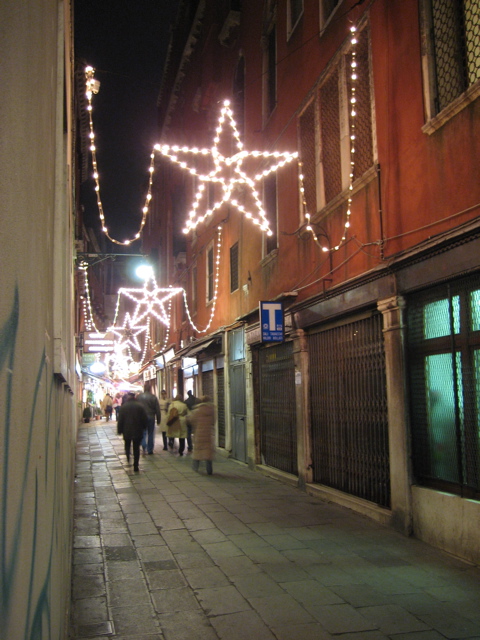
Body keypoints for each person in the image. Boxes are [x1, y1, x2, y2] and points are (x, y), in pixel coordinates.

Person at [117, 392, 149, 472]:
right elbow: (144, 418)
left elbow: (120, 420)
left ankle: (128, 456)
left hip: (127, 430)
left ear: (128, 398)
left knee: (127, 445)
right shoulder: (140, 406)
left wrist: (119, 430)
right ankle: (136, 465)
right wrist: (144, 427)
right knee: (136, 448)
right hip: (138, 430)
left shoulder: (124, 407)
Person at [190, 396, 216, 475]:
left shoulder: (197, 410)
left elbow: (192, 420)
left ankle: (195, 467)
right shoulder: (211, 410)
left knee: (198, 451)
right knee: (208, 452)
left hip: (199, 433)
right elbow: (213, 421)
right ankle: (209, 470)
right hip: (208, 433)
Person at [137, 382, 161, 455]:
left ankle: (144, 445)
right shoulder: (153, 397)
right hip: (151, 416)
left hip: (141, 417)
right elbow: (157, 409)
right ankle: (150, 449)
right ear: (150, 389)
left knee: (143, 432)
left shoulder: (139, 397)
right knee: (150, 433)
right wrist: (159, 419)